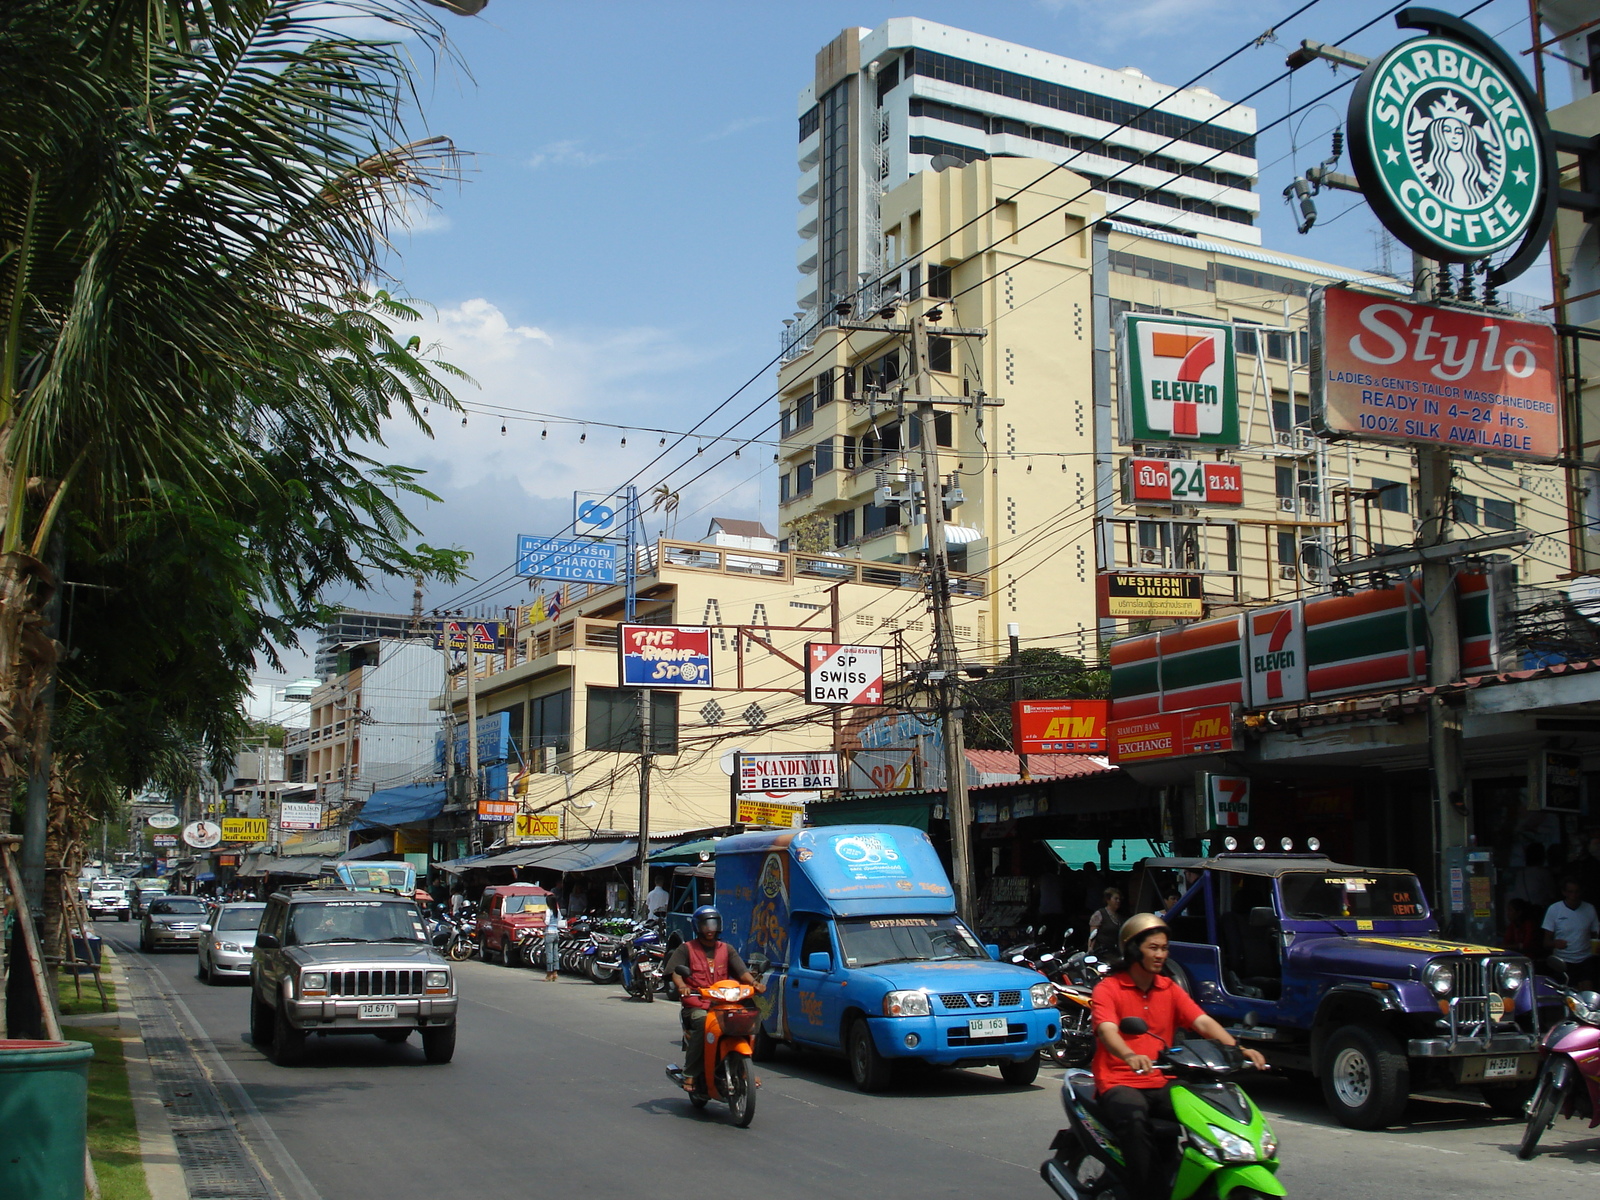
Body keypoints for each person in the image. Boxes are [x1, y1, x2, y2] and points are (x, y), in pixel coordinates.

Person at [1091, 913, 1266, 1200]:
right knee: (1135, 1122)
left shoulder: (1168, 988)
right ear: (1134, 949)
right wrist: (1129, 1054)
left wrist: (1237, 1049)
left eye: (1164, 948)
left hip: (1162, 1080)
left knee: (1209, 1111)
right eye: (1153, 948)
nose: (1161, 955)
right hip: (1120, 1082)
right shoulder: (1109, 988)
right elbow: (1108, 1030)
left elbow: (1202, 1022)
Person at [662, 905, 763, 1093]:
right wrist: (682, 986)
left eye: (713, 924)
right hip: (697, 1005)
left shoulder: (727, 949)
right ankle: (690, 1073)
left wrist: (754, 984)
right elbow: (675, 971)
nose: (710, 929)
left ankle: (743, 1070)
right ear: (697, 926)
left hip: (724, 1004)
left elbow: (742, 972)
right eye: (705, 925)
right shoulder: (686, 949)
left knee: (746, 1019)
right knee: (702, 1022)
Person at [1542, 878, 1600, 989]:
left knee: (1587, 993)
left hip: (1585, 959)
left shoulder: (1589, 909)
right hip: (1562, 961)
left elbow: (1595, 935)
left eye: (1576, 891)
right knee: (1566, 995)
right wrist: (1555, 943)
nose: (1574, 895)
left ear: (1581, 892)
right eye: (1570, 892)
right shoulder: (1554, 909)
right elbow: (1546, 942)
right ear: (1564, 892)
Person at [1087, 887, 1124, 956]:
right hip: (1101, 952)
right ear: (1108, 900)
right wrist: (1090, 949)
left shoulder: (1119, 917)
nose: (1118, 901)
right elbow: (1093, 935)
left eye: (1119, 899)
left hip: (1113, 952)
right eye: (1116, 899)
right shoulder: (1099, 914)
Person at [543, 896, 562, 982]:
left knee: (549, 953)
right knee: (555, 953)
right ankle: (555, 973)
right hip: (556, 933)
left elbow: (546, 922)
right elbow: (559, 920)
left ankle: (549, 974)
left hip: (549, 933)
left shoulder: (548, 911)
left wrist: (543, 919)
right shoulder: (557, 911)